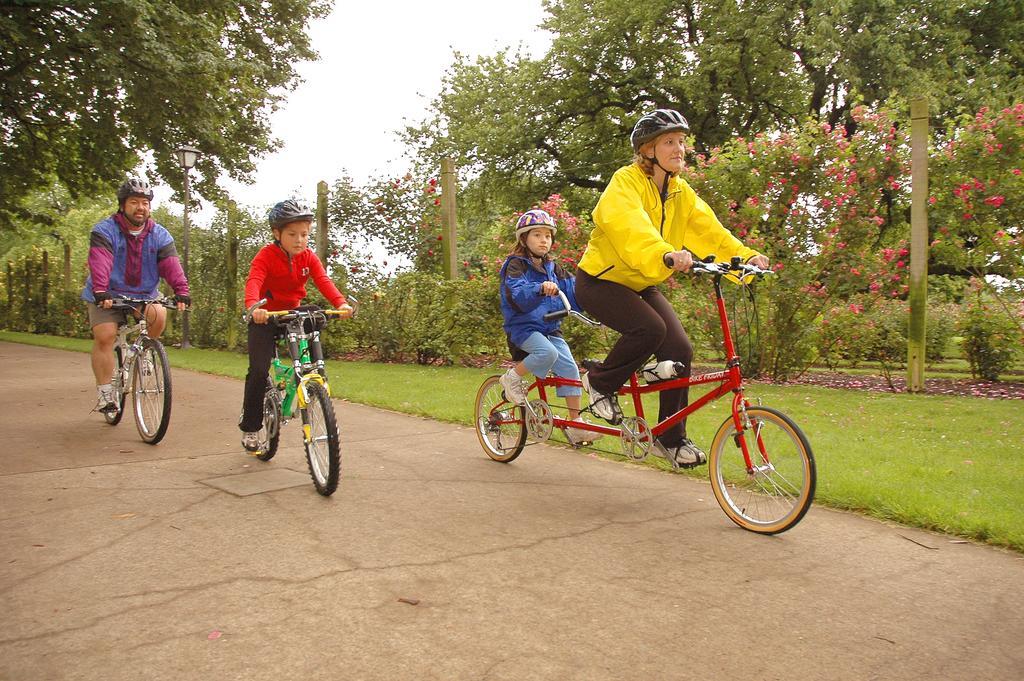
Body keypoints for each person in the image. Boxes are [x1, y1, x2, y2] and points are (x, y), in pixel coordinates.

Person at [574, 109, 770, 467]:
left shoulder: (680, 192)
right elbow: (629, 226)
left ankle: (670, 436)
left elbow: (710, 231)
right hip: (600, 280)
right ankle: (601, 382)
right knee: (650, 328)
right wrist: (664, 253)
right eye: (669, 141)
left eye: (681, 141)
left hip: (642, 280)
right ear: (648, 150)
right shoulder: (626, 181)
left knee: (680, 349)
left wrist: (745, 256)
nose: (679, 148)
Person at [239, 199, 352, 452]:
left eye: (304, 234)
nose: (299, 240)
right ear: (276, 234)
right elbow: (254, 280)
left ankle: (312, 378)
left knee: (313, 313)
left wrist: (341, 304)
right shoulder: (266, 255)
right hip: (266, 315)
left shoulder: (308, 258)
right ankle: (250, 427)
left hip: (291, 313)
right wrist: (255, 307)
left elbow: (323, 281)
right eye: (292, 234)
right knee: (258, 371)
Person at [82, 178, 190, 414]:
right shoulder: (104, 230)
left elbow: (171, 265)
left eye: (145, 203)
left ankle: (145, 352)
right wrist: (101, 290)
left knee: (158, 314)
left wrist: (181, 291)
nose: (140, 207)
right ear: (123, 205)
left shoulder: (160, 235)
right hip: (106, 292)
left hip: (143, 294)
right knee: (105, 336)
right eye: (134, 202)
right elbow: (100, 262)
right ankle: (105, 393)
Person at [498, 209, 601, 445]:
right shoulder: (515, 265)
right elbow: (517, 294)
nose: (544, 240)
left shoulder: (554, 269)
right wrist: (539, 288)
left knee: (570, 368)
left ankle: (576, 424)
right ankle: (511, 378)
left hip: (548, 327)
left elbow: (575, 291)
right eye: (537, 235)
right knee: (548, 352)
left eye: (548, 236)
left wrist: (598, 297)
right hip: (522, 328)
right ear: (524, 238)